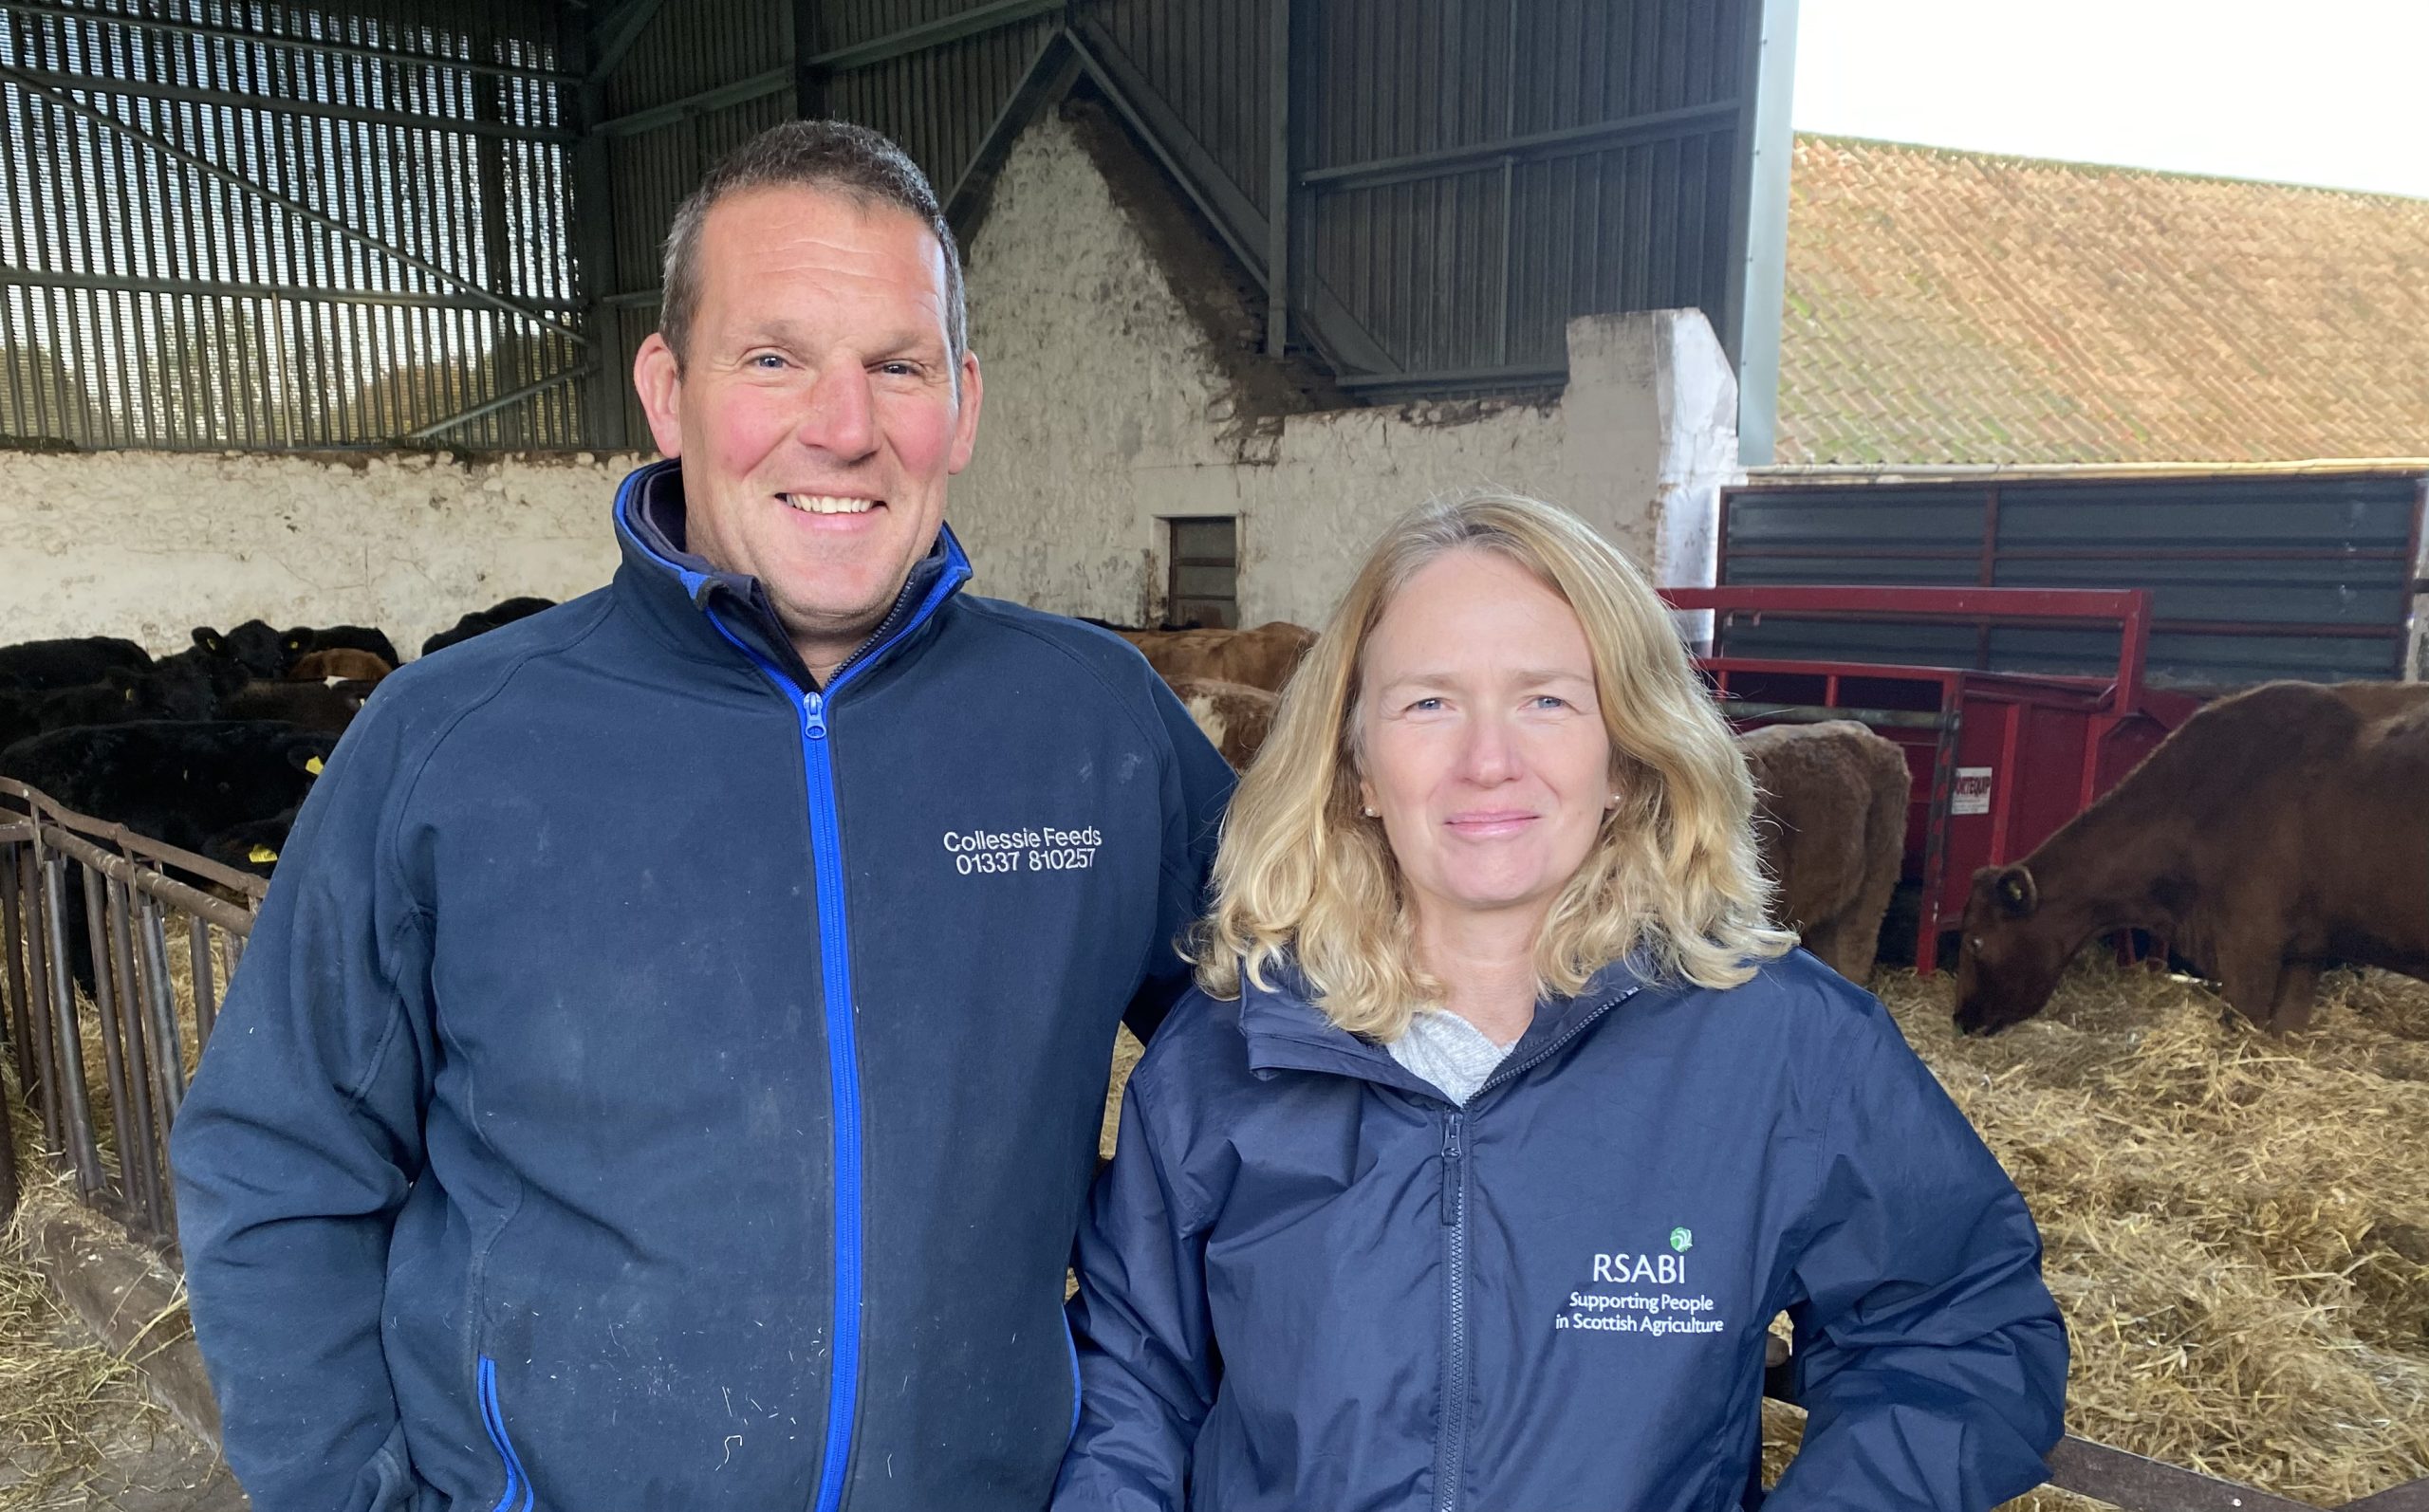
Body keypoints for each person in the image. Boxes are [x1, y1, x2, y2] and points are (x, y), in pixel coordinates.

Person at [169, 120, 1234, 1512]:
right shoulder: (450, 739)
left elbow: (1291, 1031)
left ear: (961, 403)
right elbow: (276, 1158)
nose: (842, 427)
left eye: (896, 366)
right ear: (668, 390)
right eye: (774, 356)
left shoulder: (1093, 719)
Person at [1054, 493, 2068, 1511]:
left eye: (1546, 699)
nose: (1487, 758)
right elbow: (1134, 1390)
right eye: (1427, 703)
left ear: (1625, 754)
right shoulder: (1229, 1048)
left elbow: (1964, 1330)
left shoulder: (1778, 1043)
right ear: (1357, 763)